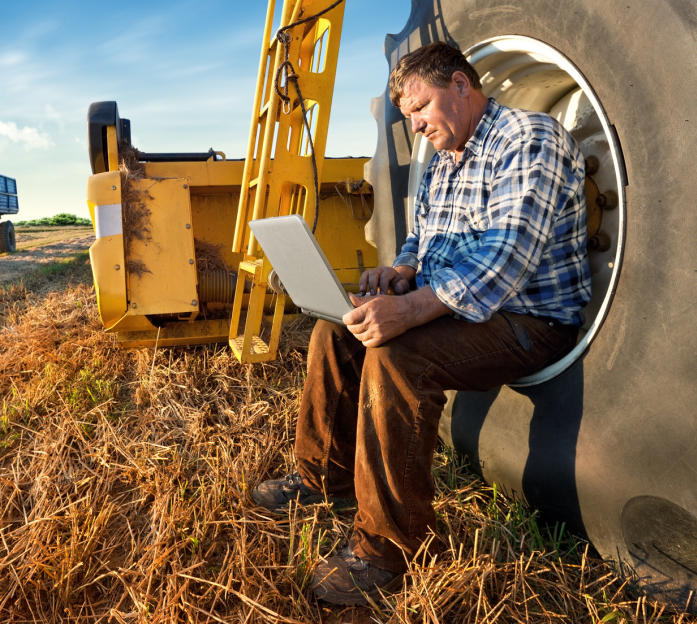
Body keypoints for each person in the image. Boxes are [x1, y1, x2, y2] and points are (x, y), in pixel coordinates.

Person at [251, 42, 592, 606]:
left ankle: (389, 546)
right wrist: (403, 271)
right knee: (336, 332)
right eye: (407, 116)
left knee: (396, 355)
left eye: (420, 108)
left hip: (527, 318)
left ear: (461, 84)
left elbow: (507, 256)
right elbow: (424, 234)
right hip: (461, 308)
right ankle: (320, 480)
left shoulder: (529, 139)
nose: (414, 126)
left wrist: (410, 311)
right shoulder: (445, 157)